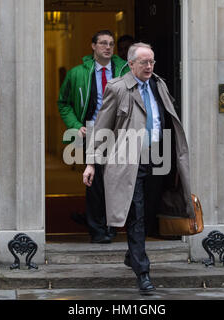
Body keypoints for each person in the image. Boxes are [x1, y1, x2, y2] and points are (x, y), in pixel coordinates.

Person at [83, 43, 195, 293]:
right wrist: (91, 163)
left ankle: (132, 255)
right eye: (144, 62)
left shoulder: (159, 84)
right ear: (131, 63)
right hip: (129, 162)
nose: (149, 66)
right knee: (137, 215)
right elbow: (102, 128)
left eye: (152, 61)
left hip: (158, 158)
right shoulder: (117, 88)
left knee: (150, 212)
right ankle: (143, 273)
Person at [58, 30, 130, 244]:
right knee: (95, 181)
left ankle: (111, 226)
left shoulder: (125, 71)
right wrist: (76, 125)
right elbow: (64, 103)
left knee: (117, 180)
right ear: (93, 46)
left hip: (121, 130)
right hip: (93, 129)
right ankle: (97, 229)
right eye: (103, 43)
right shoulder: (77, 73)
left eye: (111, 44)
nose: (108, 47)